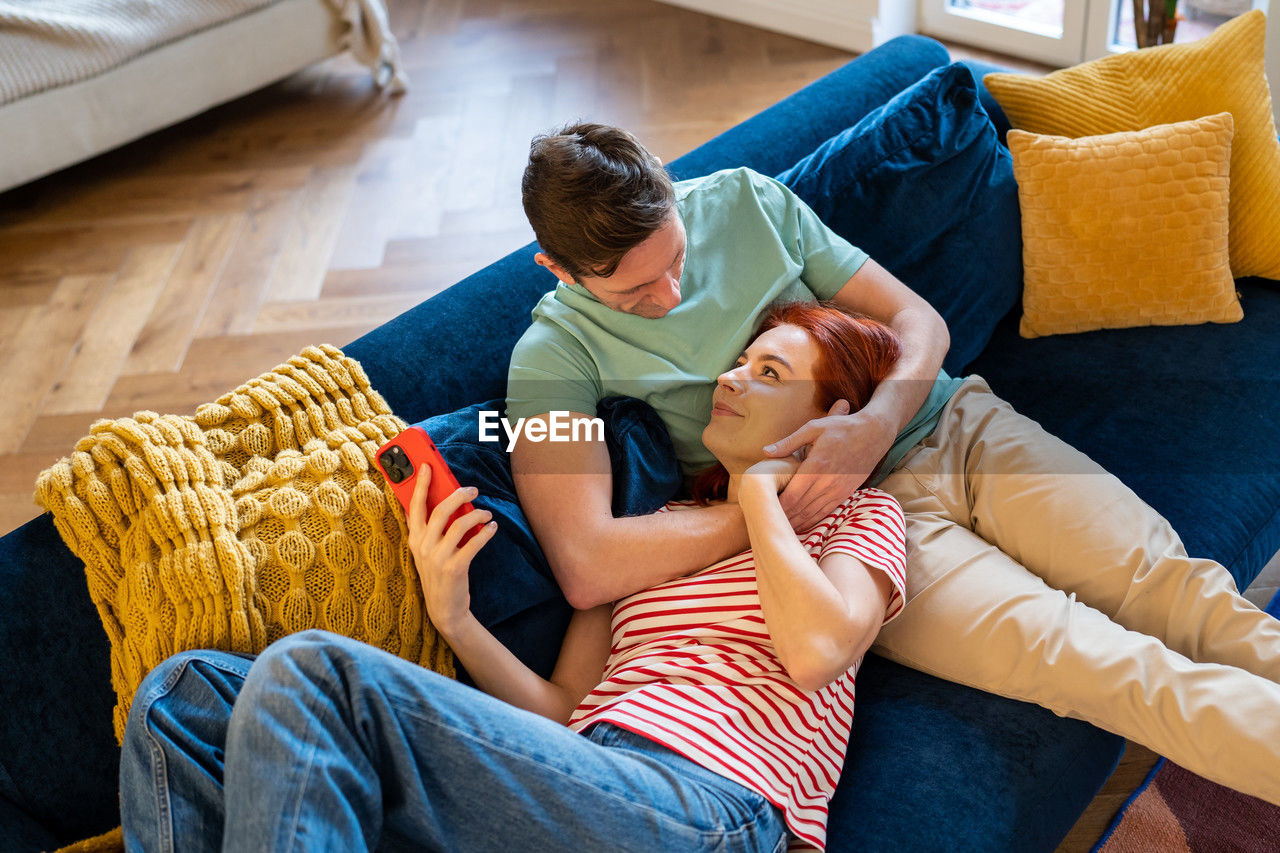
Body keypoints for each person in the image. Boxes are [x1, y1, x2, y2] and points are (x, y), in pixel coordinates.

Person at [504, 122, 1280, 804]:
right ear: (558, 268)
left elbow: (918, 320)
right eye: (636, 291)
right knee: (1107, 668)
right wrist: (769, 511)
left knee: (1184, 596)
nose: (670, 292)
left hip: (956, 424)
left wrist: (874, 424)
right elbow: (586, 563)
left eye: (675, 256)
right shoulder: (551, 362)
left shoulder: (744, 200)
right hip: (858, 538)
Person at [119, 303, 909, 852]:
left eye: (768, 371)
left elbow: (817, 650)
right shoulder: (648, 527)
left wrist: (762, 490)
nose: (731, 379)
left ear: (833, 413)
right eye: (739, 361)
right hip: (580, 786)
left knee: (313, 673)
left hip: (712, 811)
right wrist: (454, 615)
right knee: (182, 698)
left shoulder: (859, 520)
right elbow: (565, 710)